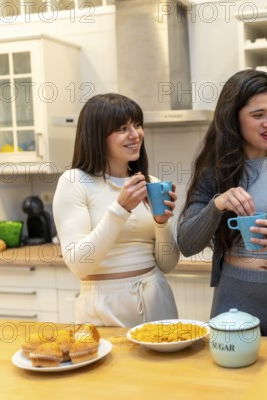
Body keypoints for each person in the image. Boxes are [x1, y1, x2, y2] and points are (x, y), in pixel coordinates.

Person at [177, 70, 267, 337]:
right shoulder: (215, 168)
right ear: (233, 119)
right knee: (231, 377)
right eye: (258, 115)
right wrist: (217, 205)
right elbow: (187, 244)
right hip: (234, 295)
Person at [53, 93, 180, 327]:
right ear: (96, 136)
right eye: (122, 128)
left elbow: (168, 264)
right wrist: (120, 209)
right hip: (102, 309)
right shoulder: (74, 182)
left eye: (138, 125)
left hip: (157, 301)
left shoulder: (149, 181)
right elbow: (79, 265)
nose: (135, 135)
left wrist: (161, 223)